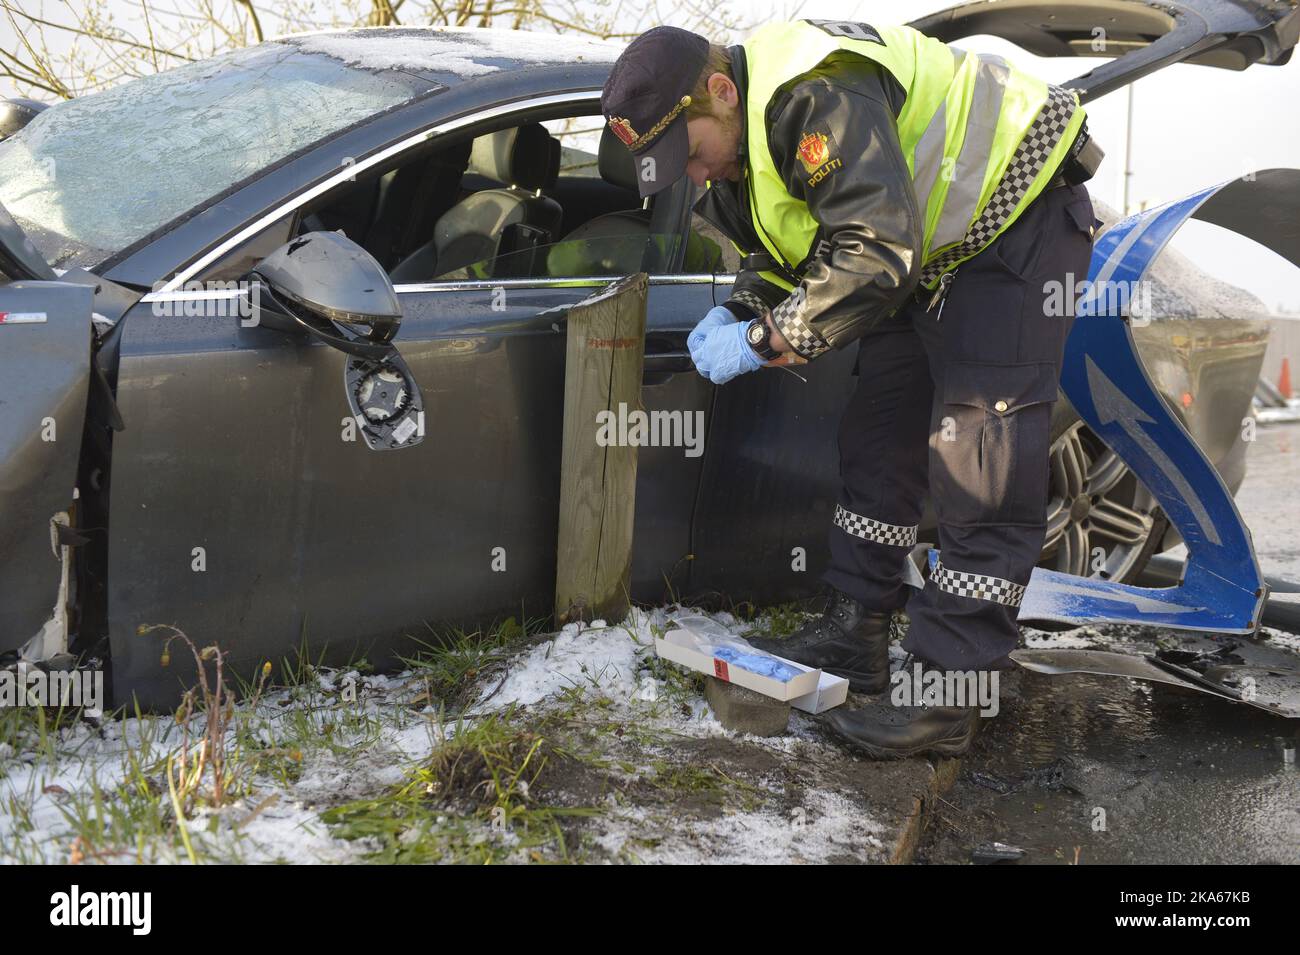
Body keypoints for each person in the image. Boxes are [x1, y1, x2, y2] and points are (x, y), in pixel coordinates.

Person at [600, 19, 1102, 758]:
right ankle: (854, 630)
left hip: (1015, 217)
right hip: (929, 248)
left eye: (692, 153)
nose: (696, 176)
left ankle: (948, 695)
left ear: (721, 91)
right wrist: (743, 310)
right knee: (878, 434)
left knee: (980, 458)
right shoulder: (741, 149)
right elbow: (796, 247)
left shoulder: (815, 92)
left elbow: (875, 253)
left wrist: (772, 338)